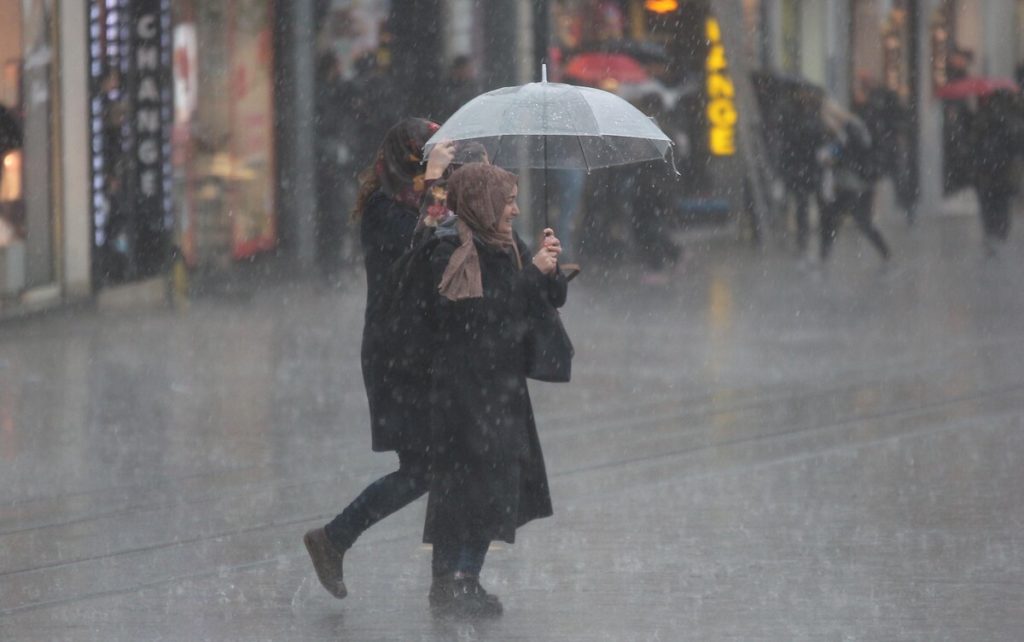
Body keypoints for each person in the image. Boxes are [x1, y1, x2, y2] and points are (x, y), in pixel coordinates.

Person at [303, 117, 455, 600]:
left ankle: (447, 579)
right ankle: (334, 538)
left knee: (440, 464)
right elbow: (416, 249)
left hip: (421, 348)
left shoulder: (418, 204)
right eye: (424, 157)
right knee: (426, 467)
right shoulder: (384, 210)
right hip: (397, 353)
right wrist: (434, 184)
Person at [424, 163, 566, 617]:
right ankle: (455, 581)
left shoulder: (504, 244)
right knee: (470, 488)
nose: (516, 209)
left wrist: (550, 267)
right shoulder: (453, 250)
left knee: (492, 485)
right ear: (484, 203)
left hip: (499, 389)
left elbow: (543, 298)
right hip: (466, 393)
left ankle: (462, 579)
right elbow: (477, 319)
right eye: (508, 200)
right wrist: (530, 279)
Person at [817, 107, 891, 264]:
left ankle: (885, 252)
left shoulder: (852, 130)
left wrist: (835, 159)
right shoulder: (848, 131)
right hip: (850, 185)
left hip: (855, 186)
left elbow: (853, 152)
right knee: (836, 219)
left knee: (855, 220)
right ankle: (824, 254)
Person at [971, 89, 1024, 255]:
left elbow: (974, 142)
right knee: (1001, 201)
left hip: (987, 170)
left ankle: (991, 232)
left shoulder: (983, 117)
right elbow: (1017, 144)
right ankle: (1000, 231)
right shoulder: (1010, 118)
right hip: (1003, 169)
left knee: (988, 201)